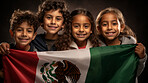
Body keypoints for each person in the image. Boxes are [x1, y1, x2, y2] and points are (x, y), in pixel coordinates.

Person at [95, 7, 147, 82]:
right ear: (99, 29)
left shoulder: (130, 46)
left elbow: (135, 72)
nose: (109, 27)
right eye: (105, 24)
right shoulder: (95, 48)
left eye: (114, 23)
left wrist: (142, 57)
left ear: (121, 27)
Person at [0, 0, 70, 53]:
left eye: (58, 19)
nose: (53, 22)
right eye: (49, 17)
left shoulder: (68, 42)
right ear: (42, 20)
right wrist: (5, 45)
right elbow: (18, 47)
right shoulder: (33, 40)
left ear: (63, 24)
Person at [0, 9, 39, 82]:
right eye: (19, 30)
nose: (24, 34)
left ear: (34, 36)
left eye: (29, 31)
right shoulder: (5, 51)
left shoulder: (37, 55)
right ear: (12, 33)